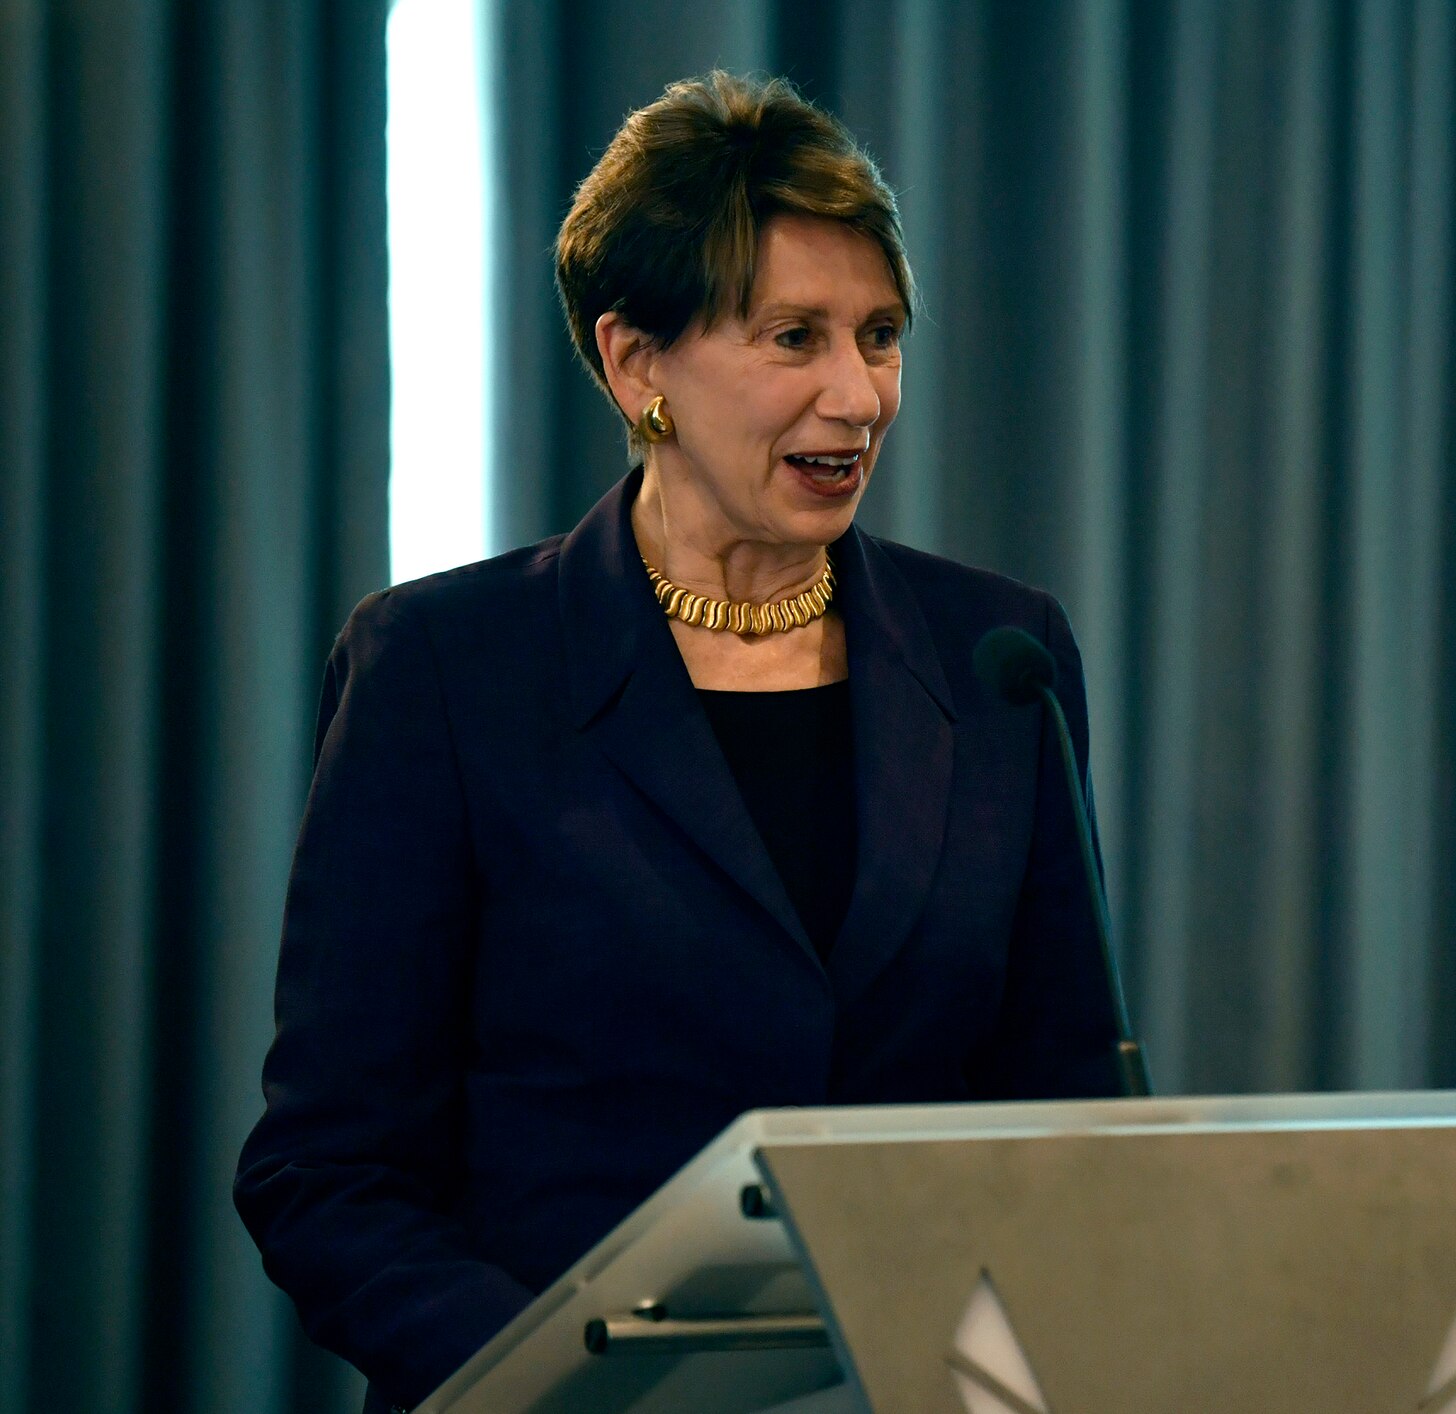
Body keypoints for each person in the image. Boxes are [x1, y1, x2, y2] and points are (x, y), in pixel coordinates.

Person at [234, 71, 1124, 1412]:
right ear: (636, 362)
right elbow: (330, 1173)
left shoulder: (1002, 659)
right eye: (793, 337)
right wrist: (558, 1386)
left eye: (879, 334)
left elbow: (1064, 1112)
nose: (859, 394)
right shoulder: (445, 670)